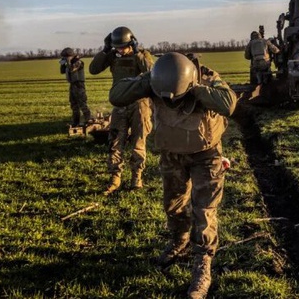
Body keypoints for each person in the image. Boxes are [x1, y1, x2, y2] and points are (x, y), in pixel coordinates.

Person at [109, 52, 236, 299]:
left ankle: (202, 264)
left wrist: (198, 90)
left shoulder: (207, 79)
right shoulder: (155, 81)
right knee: (173, 205)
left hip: (205, 155)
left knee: (204, 211)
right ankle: (179, 241)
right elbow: (116, 96)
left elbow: (228, 104)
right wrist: (146, 82)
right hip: (172, 155)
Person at [89, 26, 154, 195]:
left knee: (138, 143)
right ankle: (114, 178)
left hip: (140, 104)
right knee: (115, 142)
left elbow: (151, 72)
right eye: (116, 47)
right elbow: (93, 69)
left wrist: (138, 53)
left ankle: (136, 177)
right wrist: (104, 51)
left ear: (131, 43)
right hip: (120, 104)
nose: (119, 50)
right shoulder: (112, 56)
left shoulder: (142, 55)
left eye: (122, 47)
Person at [59, 47, 92, 126]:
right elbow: (62, 71)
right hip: (72, 84)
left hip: (79, 84)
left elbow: (71, 70)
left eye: (65, 57)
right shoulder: (69, 62)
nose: (64, 58)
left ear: (69, 56)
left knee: (82, 103)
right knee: (74, 104)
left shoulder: (78, 62)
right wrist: (63, 64)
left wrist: (68, 61)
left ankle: (88, 120)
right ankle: (75, 122)